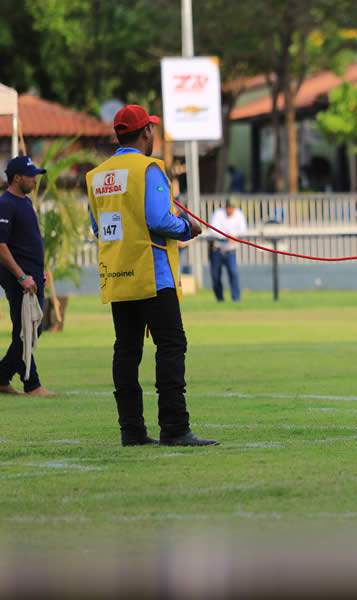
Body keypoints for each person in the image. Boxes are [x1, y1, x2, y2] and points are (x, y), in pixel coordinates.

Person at [86, 104, 217, 447]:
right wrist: (188, 227)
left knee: (126, 352)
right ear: (146, 132)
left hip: (118, 274)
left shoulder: (97, 176)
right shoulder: (149, 169)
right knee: (172, 346)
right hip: (153, 275)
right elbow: (160, 220)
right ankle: (174, 427)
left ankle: (131, 430)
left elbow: (97, 225)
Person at [0, 156, 54, 397]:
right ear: (16, 177)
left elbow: (27, 241)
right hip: (19, 278)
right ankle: (31, 383)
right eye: (31, 175)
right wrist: (22, 276)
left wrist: (39, 268)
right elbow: (1, 245)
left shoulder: (26, 202)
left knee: (27, 329)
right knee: (29, 328)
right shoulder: (6, 204)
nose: (35, 179)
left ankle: (7, 378)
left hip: (33, 275)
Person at [208, 198, 247, 302]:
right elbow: (213, 230)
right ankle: (220, 299)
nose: (230, 210)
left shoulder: (239, 215)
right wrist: (226, 236)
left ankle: (236, 298)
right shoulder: (218, 214)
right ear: (225, 207)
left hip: (230, 250)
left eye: (232, 207)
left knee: (233, 273)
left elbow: (243, 230)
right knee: (215, 276)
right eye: (229, 207)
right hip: (216, 249)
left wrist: (233, 236)